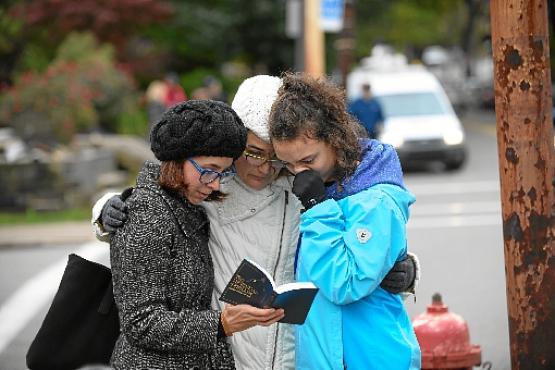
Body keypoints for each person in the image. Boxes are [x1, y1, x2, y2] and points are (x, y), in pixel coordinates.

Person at [93, 76, 419, 370]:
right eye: (252, 153)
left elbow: (361, 237)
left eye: (273, 158)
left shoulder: (301, 186)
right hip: (227, 351)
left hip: (297, 353)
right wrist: (107, 209)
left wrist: (406, 268)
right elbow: (157, 212)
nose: (264, 168)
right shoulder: (210, 184)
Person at [108, 100, 284, 369]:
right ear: (177, 159)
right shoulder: (148, 212)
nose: (213, 184)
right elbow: (140, 321)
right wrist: (222, 323)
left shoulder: (185, 205)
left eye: (222, 173)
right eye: (208, 170)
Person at [269, 73, 421, 369]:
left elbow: (345, 284)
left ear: (335, 140)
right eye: (288, 164)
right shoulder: (324, 185)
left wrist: (317, 209)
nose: (300, 173)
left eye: (308, 161)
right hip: (328, 355)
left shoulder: (375, 199)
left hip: (370, 357)